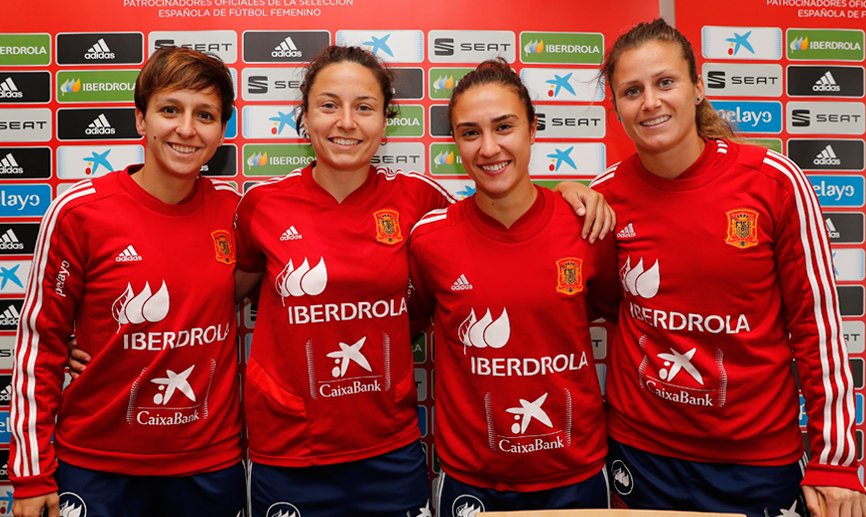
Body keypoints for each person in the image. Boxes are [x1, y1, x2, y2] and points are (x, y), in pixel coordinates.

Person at [231, 45, 613, 517]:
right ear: (304, 118)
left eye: (365, 107)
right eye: (329, 105)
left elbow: (498, 210)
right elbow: (232, 294)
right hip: (289, 450)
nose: (346, 122)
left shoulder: (421, 201)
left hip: (392, 450)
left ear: (385, 121)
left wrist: (570, 192)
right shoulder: (260, 206)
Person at [591, 18, 866, 517]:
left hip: (756, 461)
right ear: (617, 108)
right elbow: (608, 305)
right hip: (642, 456)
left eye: (665, 82)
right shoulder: (605, 196)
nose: (650, 101)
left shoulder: (773, 182)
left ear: (698, 87)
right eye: (632, 90)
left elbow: (816, 327)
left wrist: (836, 462)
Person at [10, 46, 245, 517]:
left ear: (223, 130)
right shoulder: (80, 212)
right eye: (169, 110)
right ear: (140, 119)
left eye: (205, 115)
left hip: (210, 465)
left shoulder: (237, 213)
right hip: (97, 467)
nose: (186, 129)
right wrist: (31, 475)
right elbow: (39, 344)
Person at [407, 59, 619, 516]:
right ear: (455, 143)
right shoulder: (430, 238)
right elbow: (412, 321)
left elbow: (612, 312)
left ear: (532, 129)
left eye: (504, 127)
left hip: (574, 476)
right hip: (471, 480)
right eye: (469, 132)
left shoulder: (586, 224)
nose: (489, 148)